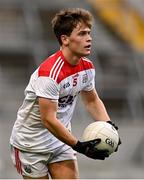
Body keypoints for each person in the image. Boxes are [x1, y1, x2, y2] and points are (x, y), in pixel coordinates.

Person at [10, 8, 121, 179]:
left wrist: (108, 126)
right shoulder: (49, 75)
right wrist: (78, 146)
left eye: (89, 33)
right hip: (30, 145)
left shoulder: (87, 67)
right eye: (82, 34)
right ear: (65, 39)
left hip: (59, 142)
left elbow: (92, 101)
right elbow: (49, 119)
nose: (89, 38)